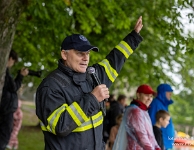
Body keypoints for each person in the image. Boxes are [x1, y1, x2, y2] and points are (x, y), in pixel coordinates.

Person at [35, 16, 143, 150]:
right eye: (80, 53)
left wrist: (134, 36)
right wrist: (93, 98)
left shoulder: (93, 75)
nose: (86, 58)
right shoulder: (50, 86)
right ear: (64, 54)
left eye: (88, 53)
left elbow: (115, 59)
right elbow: (60, 126)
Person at [113, 84, 161, 150]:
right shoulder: (135, 111)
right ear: (138, 95)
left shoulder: (143, 111)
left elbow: (151, 136)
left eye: (151, 96)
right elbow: (141, 136)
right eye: (147, 95)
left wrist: (157, 147)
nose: (150, 99)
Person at [0, 50, 28, 150]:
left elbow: (12, 87)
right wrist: (20, 76)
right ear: (10, 58)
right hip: (6, 110)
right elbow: (13, 87)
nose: (12, 64)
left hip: (6, 109)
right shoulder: (4, 71)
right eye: (13, 61)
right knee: (4, 136)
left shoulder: (5, 72)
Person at [148, 83, 175, 150]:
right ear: (163, 92)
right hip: (161, 141)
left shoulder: (163, 105)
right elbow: (152, 122)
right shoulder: (156, 104)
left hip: (166, 142)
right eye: (169, 93)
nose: (170, 95)